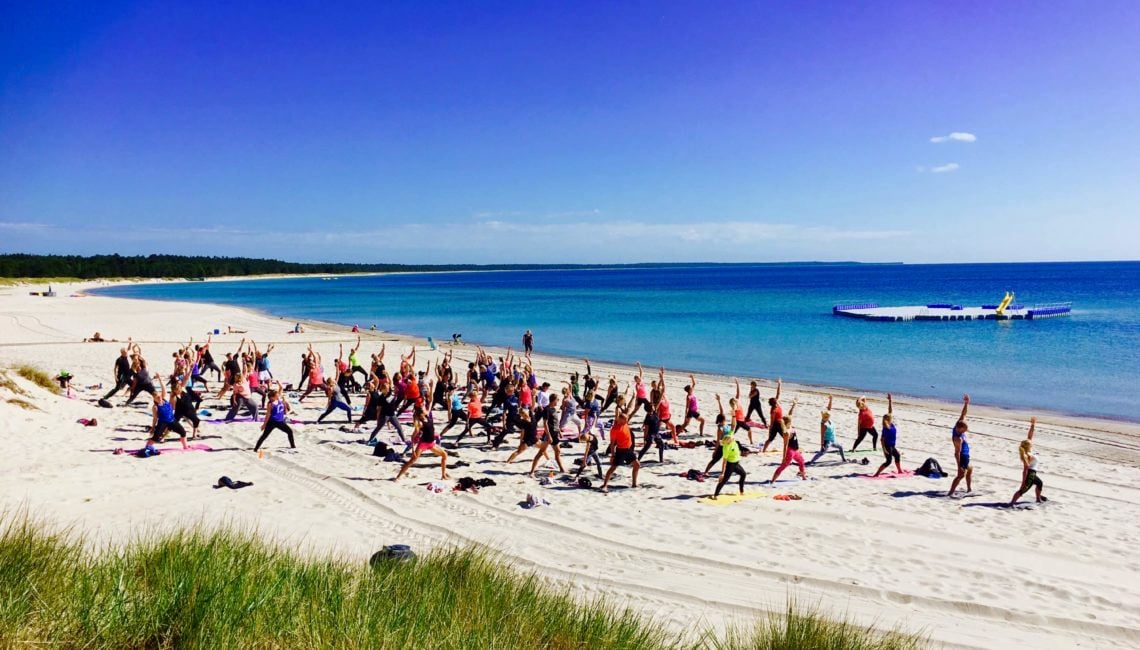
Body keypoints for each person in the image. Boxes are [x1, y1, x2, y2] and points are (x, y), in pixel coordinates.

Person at [395, 404, 449, 481]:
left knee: (444, 455)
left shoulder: (427, 416)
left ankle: (443, 475)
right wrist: (413, 450)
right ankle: (398, 477)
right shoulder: (420, 423)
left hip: (431, 443)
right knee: (412, 461)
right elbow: (413, 437)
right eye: (424, 409)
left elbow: (430, 403)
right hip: (423, 444)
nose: (426, 410)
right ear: (421, 414)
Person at [599, 406, 640, 492]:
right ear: (621, 420)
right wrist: (612, 455)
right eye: (626, 420)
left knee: (637, 464)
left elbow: (623, 414)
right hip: (621, 451)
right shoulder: (615, 429)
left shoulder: (624, 423)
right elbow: (612, 444)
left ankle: (634, 484)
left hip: (629, 450)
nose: (627, 421)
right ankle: (605, 485)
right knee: (613, 468)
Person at [769, 399, 808, 484]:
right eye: (790, 420)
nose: (791, 420)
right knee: (784, 466)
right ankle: (773, 480)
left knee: (801, 461)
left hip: (795, 450)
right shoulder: (786, 432)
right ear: (788, 422)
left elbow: (790, 414)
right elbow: (785, 445)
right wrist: (783, 457)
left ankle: (803, 477)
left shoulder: (789, 425)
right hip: (790, 451)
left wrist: (793, 405)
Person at [1010, 417, 1046, 506]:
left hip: (1033, 473)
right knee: (1023, 490)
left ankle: (1038, 499)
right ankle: (1011, 503)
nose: (1032, 443)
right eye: (1030, 443)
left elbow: (1030, 436)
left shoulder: (1028, 451)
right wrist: (1023, 482)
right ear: (1028, 446)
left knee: (1040, 483)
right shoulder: (1027, 456)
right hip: (1030, 474)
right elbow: (1025, 470)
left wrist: (1032, 425)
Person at [527, 394, 567, 477]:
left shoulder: (554, 409)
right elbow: (545, 424)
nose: (558, 401)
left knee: (558, 451)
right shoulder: (546, 410)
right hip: (549, 435)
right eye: (557, 400)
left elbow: (556, 422)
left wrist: (559, 431)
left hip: (555, 433)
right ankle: (531, 472)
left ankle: (562, 469)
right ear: (553, 400)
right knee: (541, 452)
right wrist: (549, 436)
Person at [148, 374, 188, 449]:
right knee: (156, 437)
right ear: (154, 399)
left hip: (172, 420)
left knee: (183, 432)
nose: (159, 398)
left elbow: (163, 388)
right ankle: (147, 447)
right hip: (162, 423)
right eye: (157, 397)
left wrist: (160, 379)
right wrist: (153, 428)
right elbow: (155, 418)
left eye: (160, 396)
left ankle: (185, 447)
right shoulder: (155, 407)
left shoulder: (163, 399)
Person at [711, 417, 746, 500]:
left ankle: (741, 491)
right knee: (724, 480)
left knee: (743, 474)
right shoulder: (726, 448)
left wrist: (733, 416)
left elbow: (734, 425)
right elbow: (724, 461)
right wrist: (722, 473)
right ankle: (715, 495)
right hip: (731, 465)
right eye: (730, 438)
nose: (732, 438)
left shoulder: (731, 438)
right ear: (727, 441)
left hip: (736, 463)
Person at [254, 383, 296, 453]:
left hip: (280, 421)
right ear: (272, 397)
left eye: (277, 395)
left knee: (289, 432)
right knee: (264, 435)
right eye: (276, 395)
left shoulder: (278, 399)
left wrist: (279, 383)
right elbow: (268, 414)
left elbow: (281, 389)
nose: (278, 395)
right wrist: (264, 425)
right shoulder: (270, 404)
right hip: (273, 422)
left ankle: (293, 446)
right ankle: (256, 448)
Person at [808, 395, 846, 465]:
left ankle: (844, 459)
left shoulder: (828, 419)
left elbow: (829, 408)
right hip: (827, 441)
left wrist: (831, 399)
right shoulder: (824, 424)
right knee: (822, 452)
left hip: (833, 440)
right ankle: (811, 461)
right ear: (825, 417)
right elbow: (822, 435)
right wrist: (822, 445)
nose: (829, 416)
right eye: (828, 416)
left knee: (841, 447)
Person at [948, 394, 973, 497]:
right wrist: (959, 466)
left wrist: (966, 403)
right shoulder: (957, 438)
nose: (966, 431)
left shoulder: (958, 425)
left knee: (970, 469)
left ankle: (969, 489)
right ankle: (950, 493)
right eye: (965, 430)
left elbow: (963, 414)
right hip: (962, 456)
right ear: (960, 429)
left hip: (966, 454)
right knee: (960, 475)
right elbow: (957, 453)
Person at [873, 393, 902, 476]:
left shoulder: (891, 424)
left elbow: (890, 411)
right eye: (890, 418)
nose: (892, 418)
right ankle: (877, 473)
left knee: (897, 456)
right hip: (887, 447)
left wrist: (890, 400)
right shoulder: (886, 428)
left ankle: (899, 470)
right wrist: (884, 450)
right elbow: (882, 439)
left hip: (892, 445)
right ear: (888, 419)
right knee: (888, 461)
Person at [760, 379, 785, 453]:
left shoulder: (776, 404)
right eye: (776, 400)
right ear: (774, 403)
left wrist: (779, 384)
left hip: (781, 423)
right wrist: (770, 429)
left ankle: (788, 448)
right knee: (771, 438)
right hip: (776, 425)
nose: (777, 400)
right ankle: (764, 450)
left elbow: (778, 394)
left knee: (784, 437)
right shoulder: (773, 410)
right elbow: (772, 421)